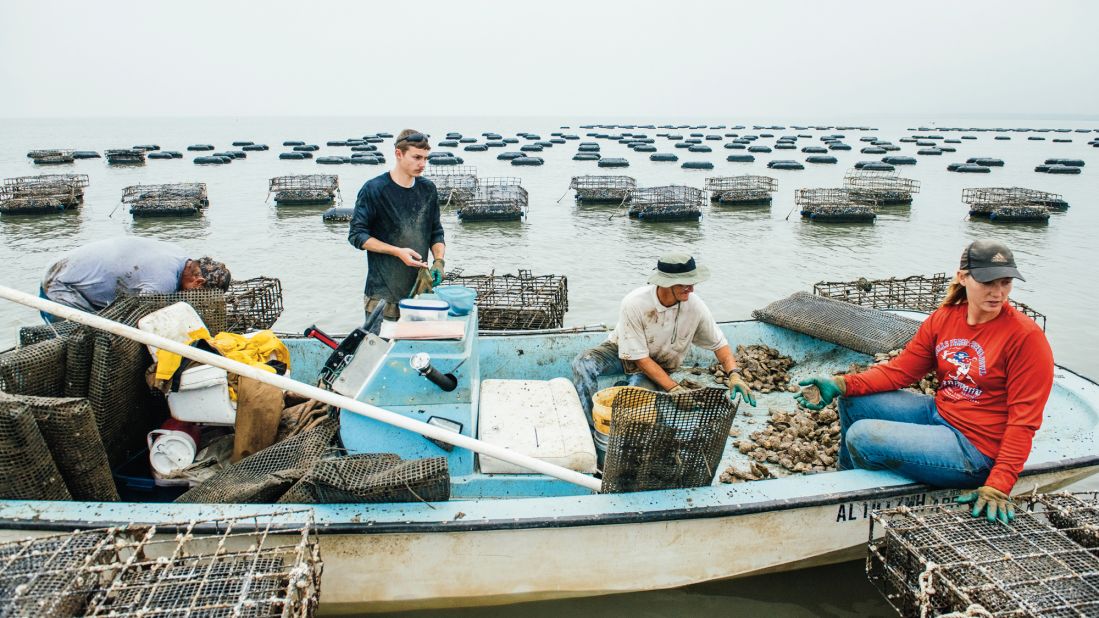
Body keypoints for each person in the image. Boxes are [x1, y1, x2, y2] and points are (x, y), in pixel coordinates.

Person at [795, 239, 1053, 525]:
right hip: (939, 414)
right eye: (988, 282)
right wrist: (841, 383)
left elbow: (1024, 421)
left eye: (1005, 282)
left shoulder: (1025, 338)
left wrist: (998, 485)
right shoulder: (944, 318)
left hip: (975, 449)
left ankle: (876, 508)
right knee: (855, 402)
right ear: (963, 277)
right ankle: (846, 485)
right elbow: (900, 371)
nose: (998, 292)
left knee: (863, 436)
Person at [572, 253, 756, 428]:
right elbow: (640, 358)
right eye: (685, 284)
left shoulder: (695, 306)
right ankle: (592, 424)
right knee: (583, 363)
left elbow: (719, 343)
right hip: (620, 351)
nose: (691, 289)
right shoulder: (635, 303)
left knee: (637, 404)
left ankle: (627, 389)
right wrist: (674, 389)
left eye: (692, 283)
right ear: (667, 283)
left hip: (656, 365)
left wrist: (734, 375)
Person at [348, 129, 446, 320]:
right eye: (417, 157)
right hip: (382, 298)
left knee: (417, 349)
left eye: (426, 158)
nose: (422, 164)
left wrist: (439, 261)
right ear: (398, 154)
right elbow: (357, 235)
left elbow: (436, 231)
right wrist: (397, 251)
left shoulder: (428, 189)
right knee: (379, 349)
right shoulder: (374, 189)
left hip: (419, 295)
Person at [40, 236, 231, 321]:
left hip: (68, 268)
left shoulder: (179, 255)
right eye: (201, 294)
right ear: (198, 282)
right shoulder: (162, 282)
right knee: (82, 336)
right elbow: (136, 319)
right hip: (61, 285)